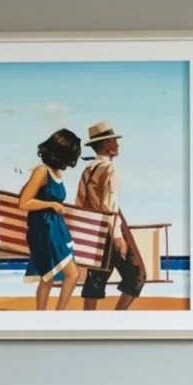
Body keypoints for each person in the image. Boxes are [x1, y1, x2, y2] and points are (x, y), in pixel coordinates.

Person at [75, 120, 146, 310]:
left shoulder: (87, 170)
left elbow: (79, 203)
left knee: (97, 277)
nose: (117, 144)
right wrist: (117, 236)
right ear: (107, 144)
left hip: (94, 226)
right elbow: (110, 204)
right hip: (111, 224)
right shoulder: (110, 169)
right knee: (138, 274)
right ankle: (117, 318)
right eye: (114, 140)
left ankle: (89, 321)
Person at [18, 129, 82, 311]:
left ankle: (43, 315)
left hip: (55, 229)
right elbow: (24, 202)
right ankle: (58, 314)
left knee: (49, 276)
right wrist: (51, 205)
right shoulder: (41, 171)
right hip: (45, 231)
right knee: (71, 274)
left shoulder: (54, 173)